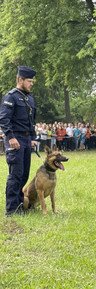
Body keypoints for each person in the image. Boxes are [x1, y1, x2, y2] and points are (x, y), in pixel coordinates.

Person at [0, 66, 37, 217]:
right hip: (15, 139)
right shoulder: (11, 97)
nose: (32, 83)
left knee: (24, 174)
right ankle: (11, 209)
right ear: (20, 80)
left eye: (32, 81)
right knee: (16, 174)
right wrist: (11, 137)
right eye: (29, 81)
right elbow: (4, 118)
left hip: (27, 139)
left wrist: (33, 138)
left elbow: (31, 121)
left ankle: (20, 205)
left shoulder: (30, 99)